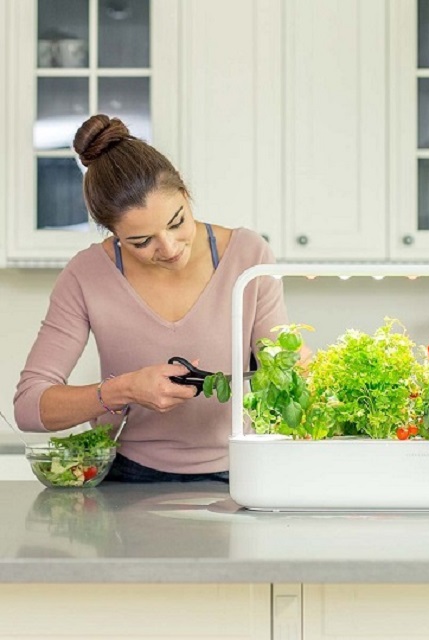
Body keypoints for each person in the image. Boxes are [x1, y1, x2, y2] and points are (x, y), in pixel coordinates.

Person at [14, 114, 294, 483]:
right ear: (113, 234)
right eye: (141, 242)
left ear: (186, 194)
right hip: (126, 478)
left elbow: (283, 368)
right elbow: (30, 407)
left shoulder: (248, 255)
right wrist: (122, 389)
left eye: (178, 221)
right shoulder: (86, 275)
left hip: (241, 473)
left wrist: (300, 368)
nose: (169, 248)